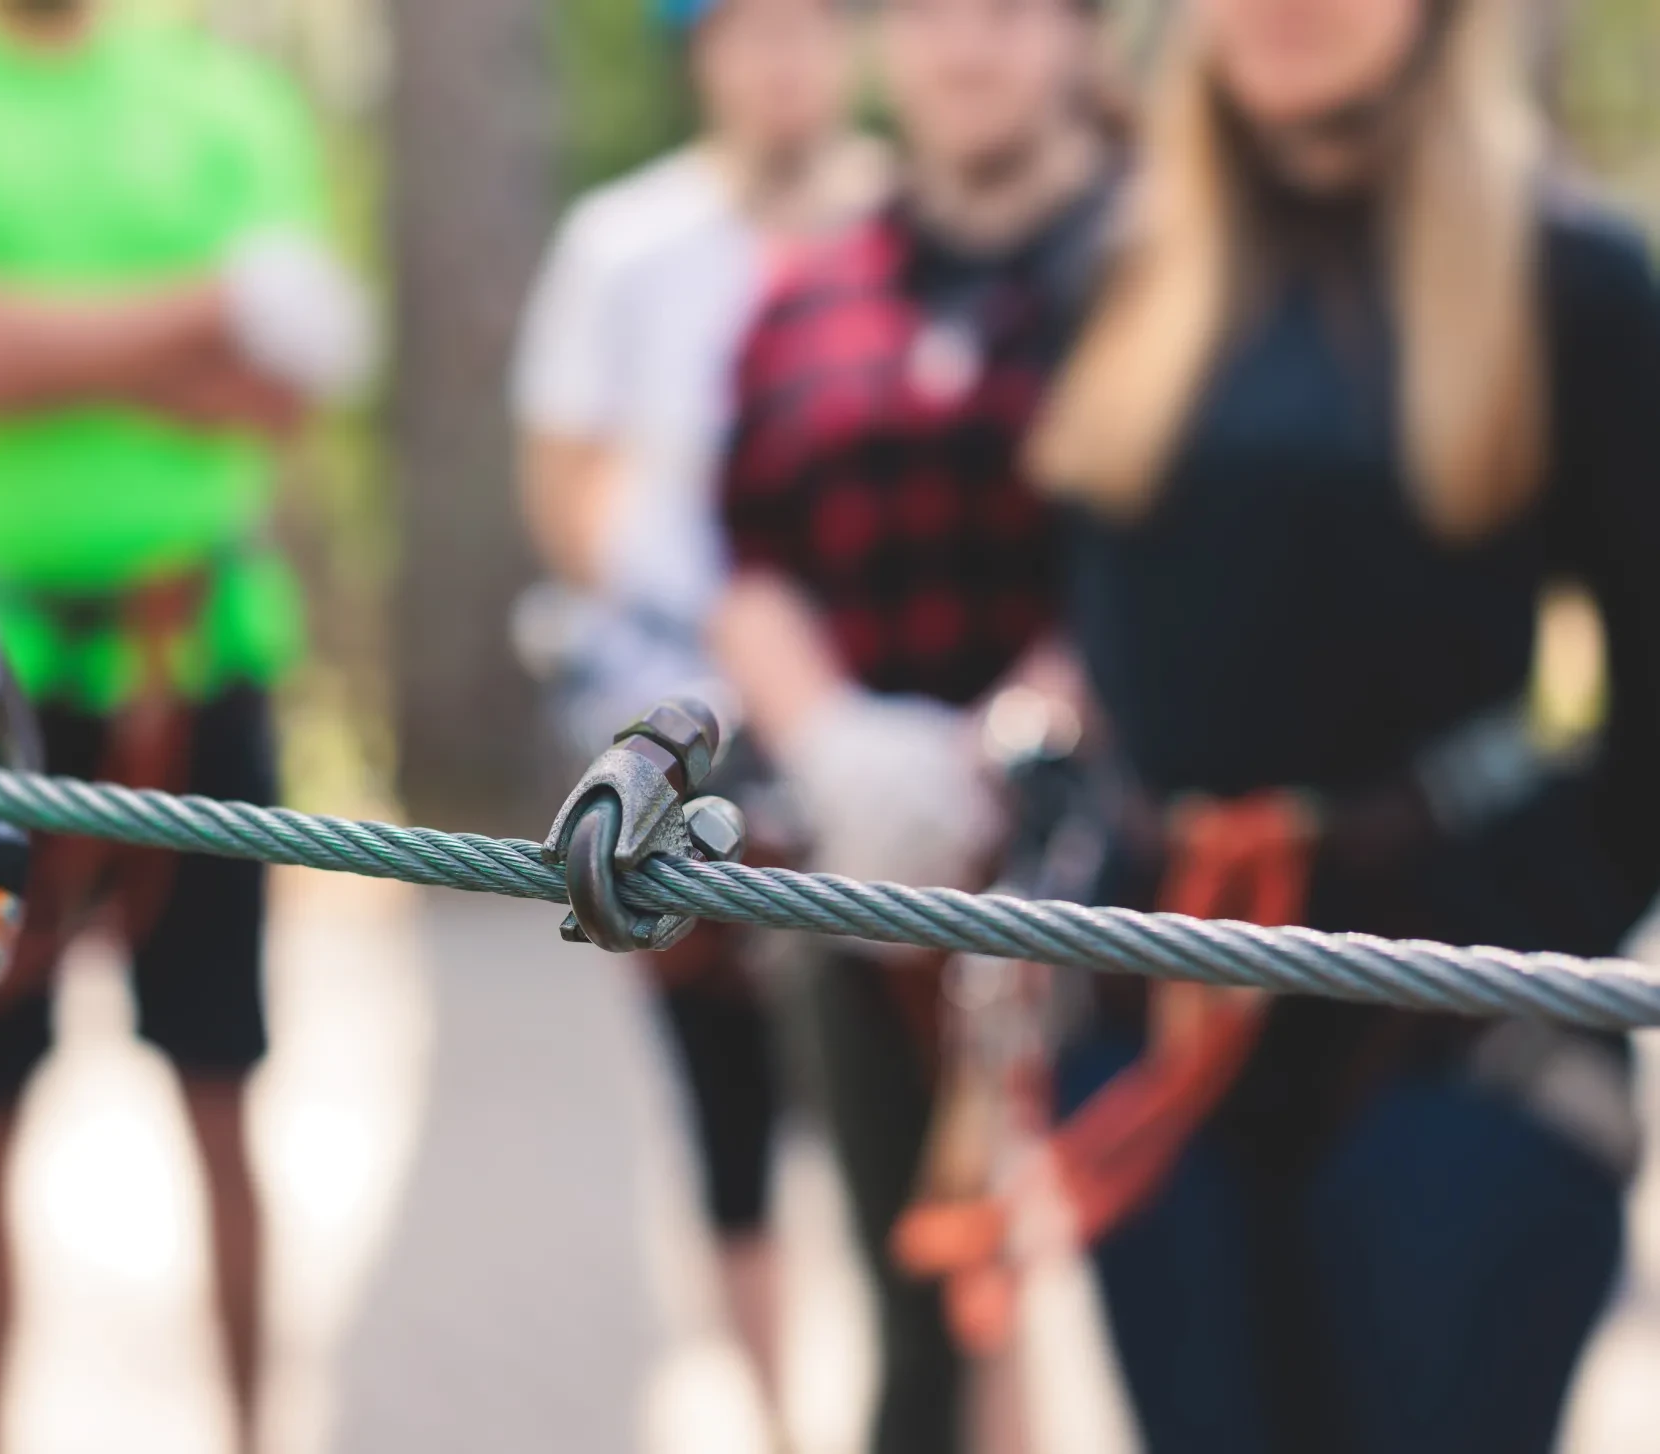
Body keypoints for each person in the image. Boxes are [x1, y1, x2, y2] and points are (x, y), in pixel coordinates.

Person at [1006, 0, 1660, 1448]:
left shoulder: (1575, 279)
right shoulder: (1110, 266)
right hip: (1159, 1002)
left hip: (1464, 1020)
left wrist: (1556, 918)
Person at [0, 3, 370, 1449]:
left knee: (227, 1091)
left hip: (196, 660)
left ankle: (253, 1431)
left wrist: (21, 335)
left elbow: (290, 374)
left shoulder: (221, 95)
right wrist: (203, 309)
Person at [705, 1, 1115, 1449]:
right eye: (937, 11)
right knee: (914, 1316)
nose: (971, 46)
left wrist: (1016, 746)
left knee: (1146, 1321)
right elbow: (748, 559)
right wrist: (836, 743)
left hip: (1117, 884)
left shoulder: (1161, 266)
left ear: (1078, 39)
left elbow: (1177, 556)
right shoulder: (809, 290)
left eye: (1011, 13)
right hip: (867, 878)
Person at [509, 0, 886, 1427]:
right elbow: (567, 482)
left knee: (929, 1097)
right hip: (683, 719)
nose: (784, 58)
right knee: (726, 1100)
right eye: (752, 29)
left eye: (811, 25)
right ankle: (777, 1412)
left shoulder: (914, 228)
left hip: (882, 715)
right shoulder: (625, 244)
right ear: (704, 53)